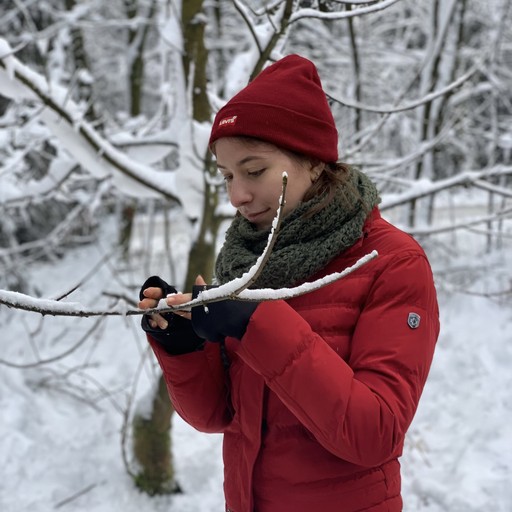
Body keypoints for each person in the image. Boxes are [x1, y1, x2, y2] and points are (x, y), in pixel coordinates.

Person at [138, 54, 440, 512]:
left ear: (313, 161)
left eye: (254, 171)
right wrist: (184, 346)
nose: (237, 196)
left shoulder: (392, 263)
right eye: (227, 176)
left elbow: (375, 433)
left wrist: (257, 322)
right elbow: (217, 416)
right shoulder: (247, 259)